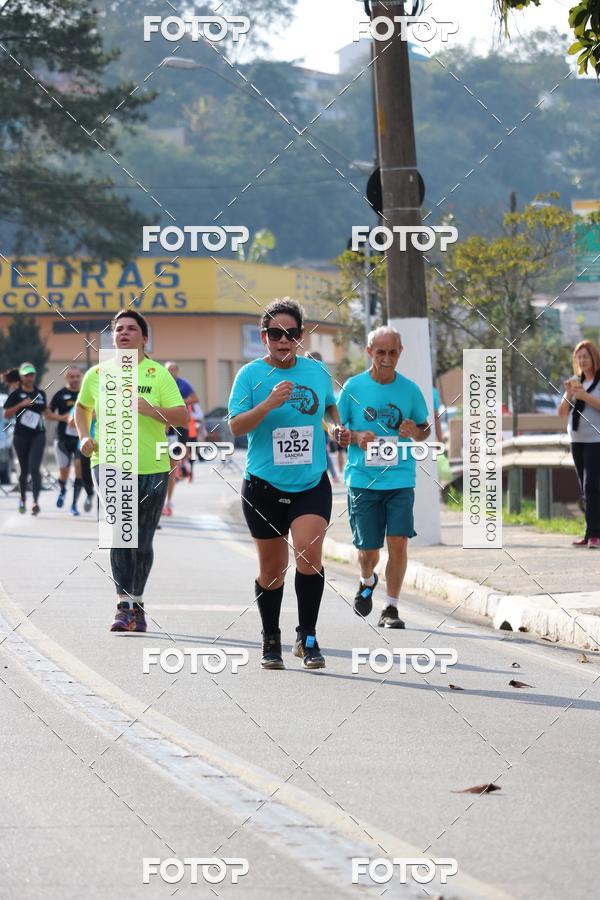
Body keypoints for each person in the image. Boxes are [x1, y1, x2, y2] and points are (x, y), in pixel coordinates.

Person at [229, 298, 349, 670]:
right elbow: (236, 426)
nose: (285, 340)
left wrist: (335, 429)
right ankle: (270, 638)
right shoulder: (249, 376)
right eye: (277, 334)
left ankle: (308, 638)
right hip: (264, 485)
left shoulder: (315, 371)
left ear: (301, 337)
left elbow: (329, 410)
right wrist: (267, 404)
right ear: (264, 337)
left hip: (310, 482)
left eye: (292, 334)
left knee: (309, 558)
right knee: (272, 570)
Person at [75, 310, 188, 632]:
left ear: (144, 337)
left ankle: (137, 602)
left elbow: (181, 416)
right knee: (120, 535)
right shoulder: (97, 374)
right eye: (118, 329)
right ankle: (123, 605)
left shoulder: (158, 374)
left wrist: (152, 410)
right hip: (108, 463)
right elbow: (82, 408)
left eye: (131, 329)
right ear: (113, 337)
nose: (124, 333)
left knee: (143, 540)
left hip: (152, 465)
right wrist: (85, 436)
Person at [337, 326, 430, 628]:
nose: (387, 358)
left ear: (400, 353)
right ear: (369, 353)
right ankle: (367, 579)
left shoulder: (410, 390)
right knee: (368, 551)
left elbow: (425, 429)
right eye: (381, 352)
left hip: (400, 479)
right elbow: (333, 429)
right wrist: (355, 437)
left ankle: (391, 607)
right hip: (363, 480)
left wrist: (414, 432)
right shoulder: (353, 388)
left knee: (399, 542)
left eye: (392, 352)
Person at [558, 339, 600, 549]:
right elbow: (562, 414)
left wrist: (585, 396)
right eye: (579, 357)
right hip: (577, 440)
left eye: (586, 356)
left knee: (592, 485)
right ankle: (589, 532)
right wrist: (568, 394)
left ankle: (595, 534)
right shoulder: (576, 382)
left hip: (596, 440)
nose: (582, 360)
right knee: (585, 489)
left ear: (594, 358)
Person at [3, 363, 48, 515]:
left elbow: (46, 412)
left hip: (38, 435)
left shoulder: (40, 394)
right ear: (21, 377)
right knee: (24, 471)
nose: (30, 377)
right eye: (26, 375)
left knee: (35, 468)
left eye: (32, 374)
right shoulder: (15, 395)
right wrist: (21, 404)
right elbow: (6, 415)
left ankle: (35, 502)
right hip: (21, 436)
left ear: (35, 376)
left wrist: (65, 417)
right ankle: (22, 498)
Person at [48, 366, 92, 515]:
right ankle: (62, 489)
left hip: (81, 439)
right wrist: (64, 418)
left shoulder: (86, 393)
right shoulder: (60, 395)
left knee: (79, 469)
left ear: (81, 377)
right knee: (64, 473)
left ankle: (74, 505)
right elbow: (48, 413)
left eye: (77, 376)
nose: (75, 379)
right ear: (66, 377)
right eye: (71, 376)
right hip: (63, 438)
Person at [163, 361, 205, 515]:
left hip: (180, 426)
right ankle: (160, 501)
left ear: (177, 371)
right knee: (161, 467)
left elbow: (195, 399)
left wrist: (181, 402)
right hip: (163, 427)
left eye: (174, 369)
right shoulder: (161, 382)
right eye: (169, 369)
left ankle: (169, 501)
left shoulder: (183, 384)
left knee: (172, 467)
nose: (171, 371)